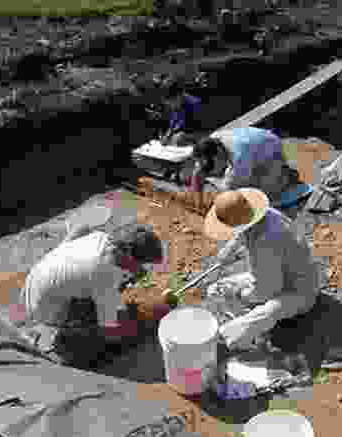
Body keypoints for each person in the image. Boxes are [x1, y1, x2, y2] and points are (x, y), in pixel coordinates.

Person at [164, 189, 320, 350]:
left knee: (260, 314)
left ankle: (228, 341)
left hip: (299, 291)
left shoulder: (265, 243)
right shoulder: (263, 215)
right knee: (216, 290)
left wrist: (241, 294)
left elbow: (268, 290)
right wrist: (227, 253)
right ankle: (251, 322)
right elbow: (240, 235)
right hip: (279, 275)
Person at [20, 223, 174, 363]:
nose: (143, 269)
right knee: (120, 336)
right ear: (128, 254)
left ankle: (82, 319)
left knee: (113, 306)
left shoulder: (101, 238)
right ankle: (73, 340)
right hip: (44, 308)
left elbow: (82, 229)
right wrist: (149, 317)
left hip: (35, 284)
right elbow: (111, 332)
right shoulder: (104, 274)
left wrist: (133, 270)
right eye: (141, 264)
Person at [189, 127, 298, 200]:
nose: (208, 168)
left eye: (211, 164)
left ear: (217, 154)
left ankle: (286, 176)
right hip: (255, 146)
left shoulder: (239, 156)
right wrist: (198, 200)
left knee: (261, 195)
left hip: (272, 154)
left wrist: (213, 180)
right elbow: (198, 170)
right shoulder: (212, 140)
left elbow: (230, 190)